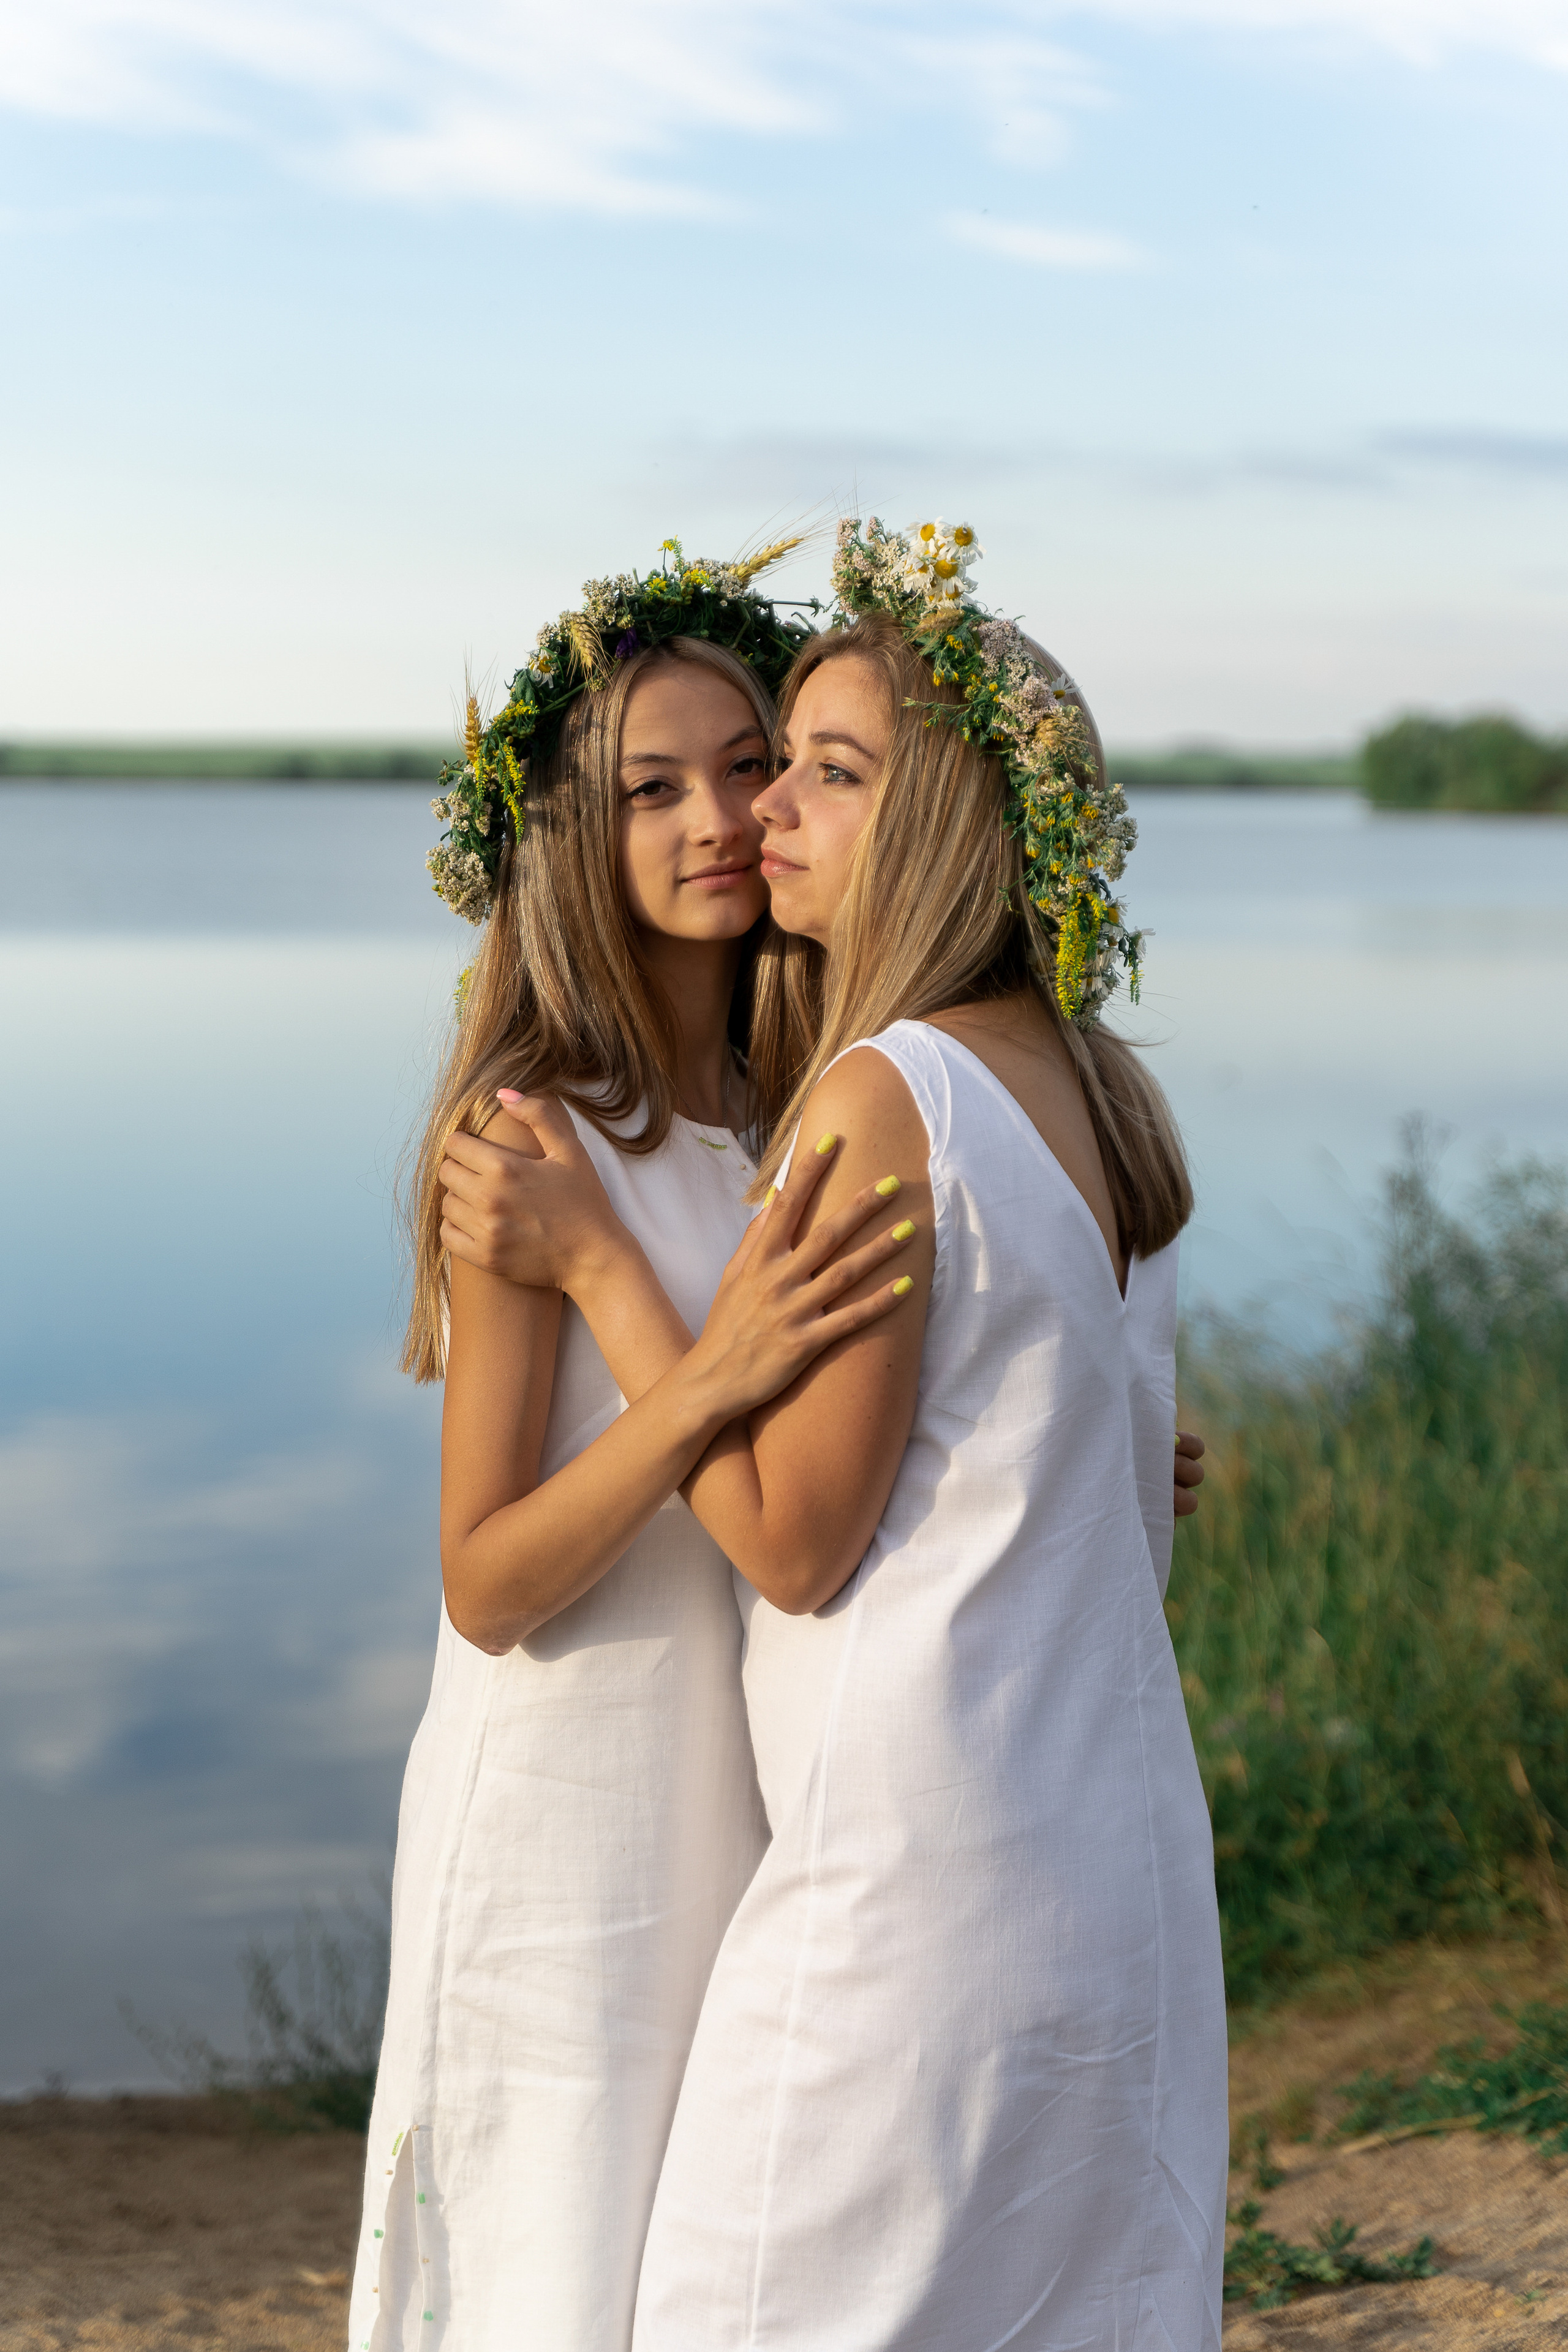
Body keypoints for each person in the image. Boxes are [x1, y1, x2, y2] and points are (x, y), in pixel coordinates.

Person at [447, 518, 1229, 2349]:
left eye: (823, 767)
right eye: (745, 768)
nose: (762, 811)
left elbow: (796, 1545)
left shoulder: (882, 1096)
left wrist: (616, 1283)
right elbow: (1073, 1459)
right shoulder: (1103, 1092)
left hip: (915, 1873)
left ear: (946, 815)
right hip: (1113, 1854)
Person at [348, 544, 922, 2352]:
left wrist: (1060, 1461)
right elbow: (486, 1581)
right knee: (551, 2272)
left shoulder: (781, 1106)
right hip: (566, 1815)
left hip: (740, 1796)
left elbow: (811, 1438)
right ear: (567, 844)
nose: (718, 817)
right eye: (648, 790)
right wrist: (696, 1376)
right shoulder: (536, 1137)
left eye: (749, 763)